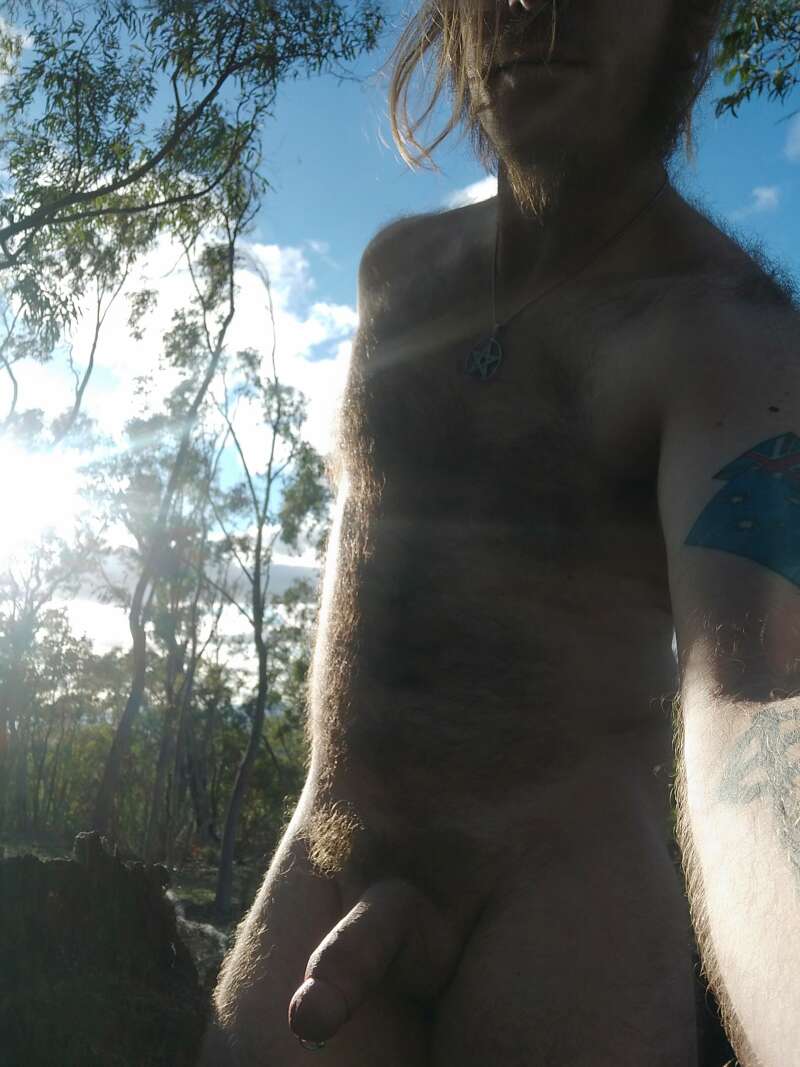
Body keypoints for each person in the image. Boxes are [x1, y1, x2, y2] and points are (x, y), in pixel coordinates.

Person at [200, 1, 800, 1064]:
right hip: (328, 859)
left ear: (689, 19)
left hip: (564, 910)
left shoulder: (728, 333)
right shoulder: (397, 275)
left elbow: (754, 689)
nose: (536, 8)